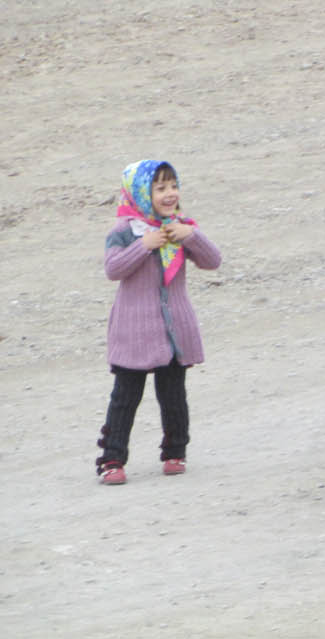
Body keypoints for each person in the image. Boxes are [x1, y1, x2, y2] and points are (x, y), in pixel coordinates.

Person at [95, 160, 222, 484]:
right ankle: (112, 459)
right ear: (140, 193)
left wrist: (191, 236)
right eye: (160, 188)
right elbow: (113, 269)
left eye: (173, 186)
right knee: (125, 397)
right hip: (134, 330)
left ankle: (175, 451)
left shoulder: (180, 228)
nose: (170, 194)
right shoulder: (125, 231)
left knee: (173, 395)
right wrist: (144, 245)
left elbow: (212, 261)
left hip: (173, 330)